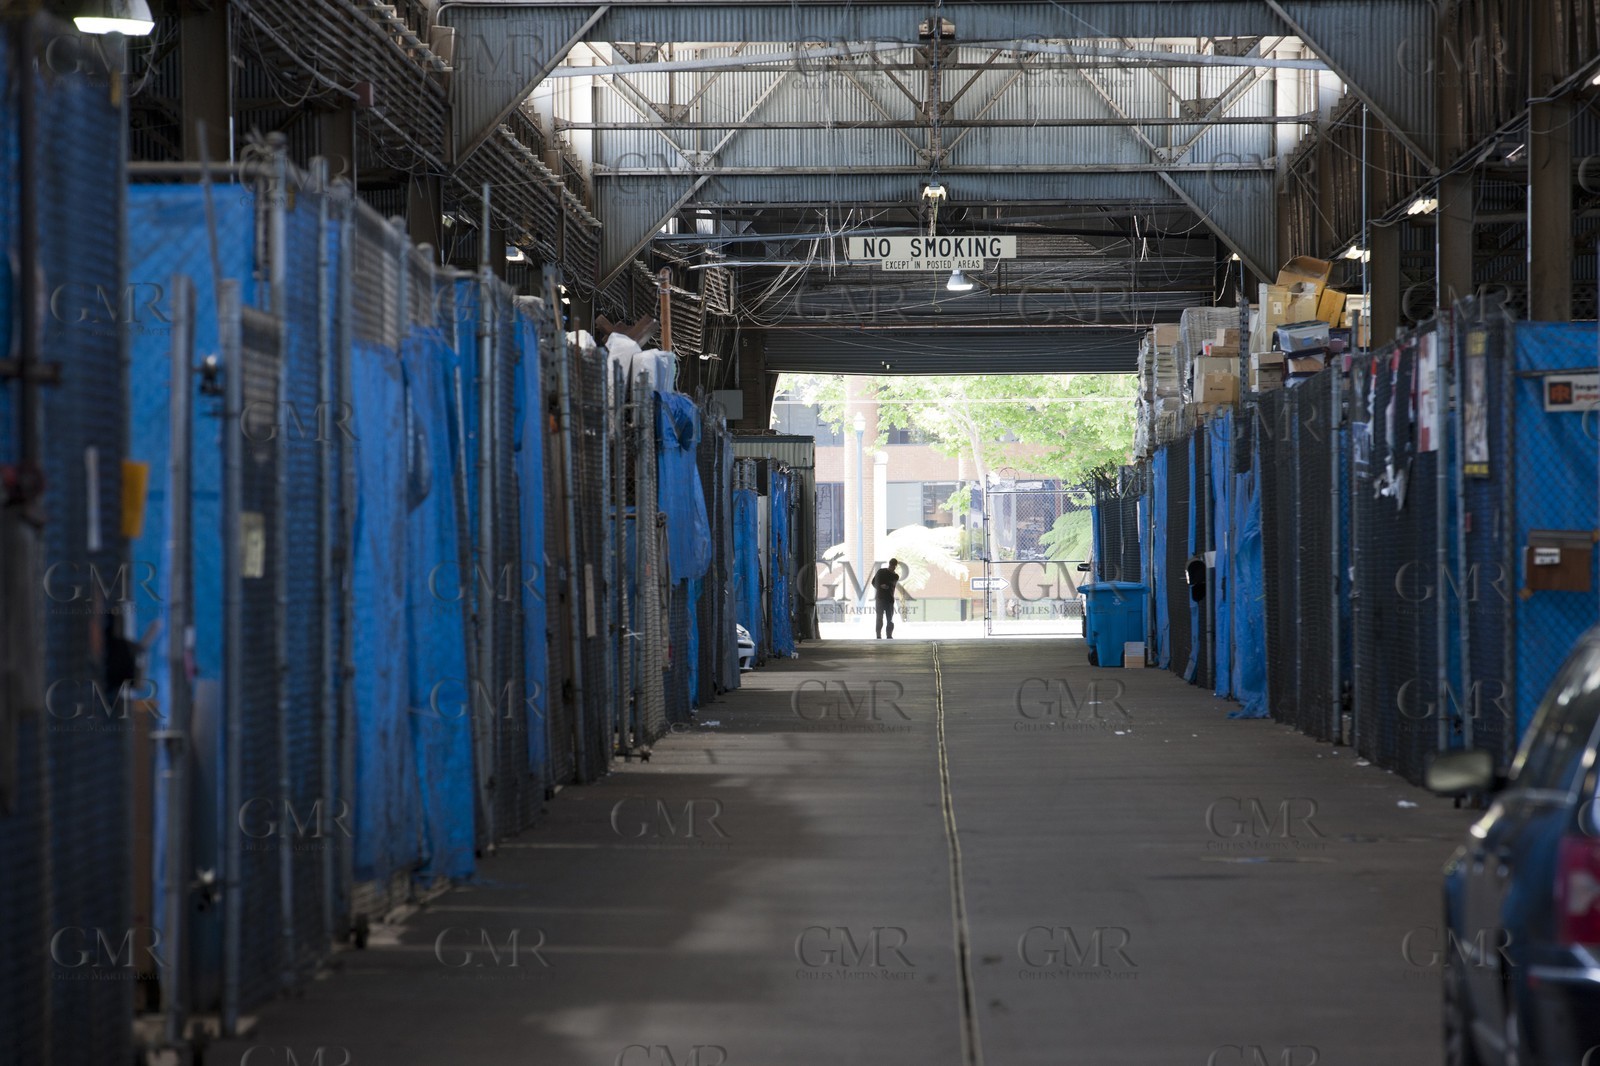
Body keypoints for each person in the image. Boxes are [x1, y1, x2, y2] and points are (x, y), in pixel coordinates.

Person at [871, 558, 901, 639]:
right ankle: (878, 635)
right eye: (891, 566)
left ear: (895, 566)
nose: (892, 567)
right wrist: (880, 586)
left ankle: (889, 635)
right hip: (880, 598)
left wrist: (881, 584)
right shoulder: (881, 572)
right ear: (889, 564)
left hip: (889, 600)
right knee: (879, 618)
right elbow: (873, 582)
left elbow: (889, 582)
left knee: (889, 619)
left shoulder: (895, 576)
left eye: (894, 566)